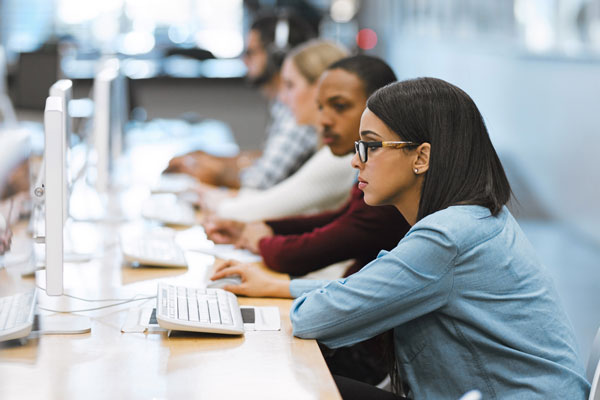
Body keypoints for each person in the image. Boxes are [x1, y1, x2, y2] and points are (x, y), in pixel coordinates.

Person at [211, 78, 590, 398]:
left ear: (421, 157)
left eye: (370, 145)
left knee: (292, 383)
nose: (355, 161)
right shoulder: (470, 218)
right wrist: (281, 287)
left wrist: (289, 293)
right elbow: (371, 289)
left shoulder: (447, 237)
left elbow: (314, 319)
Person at [205, 56, 410, 386]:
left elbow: (337, 241)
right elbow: (345, 222)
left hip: (366, 346)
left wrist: (265, 251)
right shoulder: (367, 170)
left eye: (339, 106)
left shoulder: (395, 195)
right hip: (356, 322)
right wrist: (267, 233)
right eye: (321, 106)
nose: (323, 120)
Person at [165, 13, 318, 190]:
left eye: (250, 53)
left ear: (278, 57)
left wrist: (209, 170)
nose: (244, 60)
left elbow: (259, 182)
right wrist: (210, 159)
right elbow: (265, 159)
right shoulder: (283, 105)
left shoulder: (296, 112)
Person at [207, 40, 353, 221]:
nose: (282, 98)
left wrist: (210, 200)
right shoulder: (328, 147)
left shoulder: (340, 155)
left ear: (320, 88)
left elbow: (263, 207)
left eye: (290, 85)